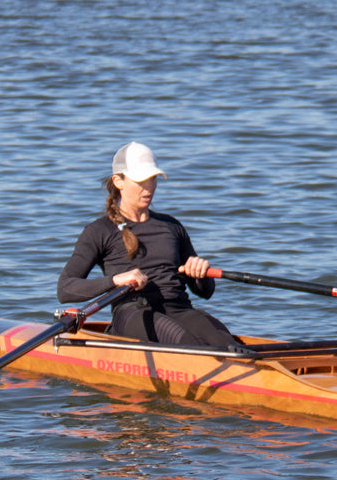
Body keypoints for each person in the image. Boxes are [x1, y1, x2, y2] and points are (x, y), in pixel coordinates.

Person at [57, 142, 238, 349]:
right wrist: (116, 280)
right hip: (134, 313)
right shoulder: (99, 231)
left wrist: (199, 273)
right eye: (140, 180)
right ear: (119, 181)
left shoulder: (171, 226)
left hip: (180, 308)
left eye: (152, 179)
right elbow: (65, 288)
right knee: (190, 345)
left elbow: (205, 292)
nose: (148, 187)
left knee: (226, 343)